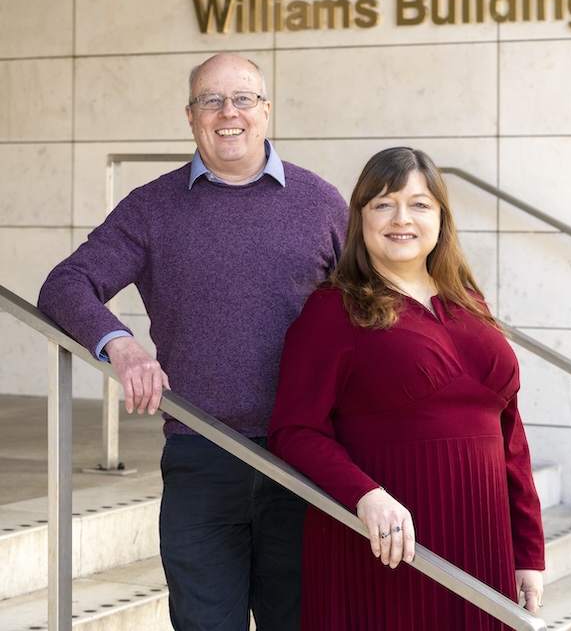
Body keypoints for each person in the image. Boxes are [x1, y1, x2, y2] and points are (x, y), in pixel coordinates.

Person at [37, 52, 348, 631]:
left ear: (266, 110)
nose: (228, 113)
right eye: (211, 100)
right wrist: (119, 344)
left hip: (305, 456)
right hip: (201, 454)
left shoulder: (321, 203)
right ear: (190, 115)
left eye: (243, 99)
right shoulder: (153, 207)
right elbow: (66, 284)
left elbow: (372, 309)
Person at [268, 146, 545, 631]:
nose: (402, 218)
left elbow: (510, 436)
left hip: (484, 544)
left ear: (441, 217)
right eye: (383, 203)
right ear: (360, 217)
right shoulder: (333, 311)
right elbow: (294, 430)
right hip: (386, 544)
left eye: (419, 204)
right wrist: (365, 495)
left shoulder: (469, 303)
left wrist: (528, 551)